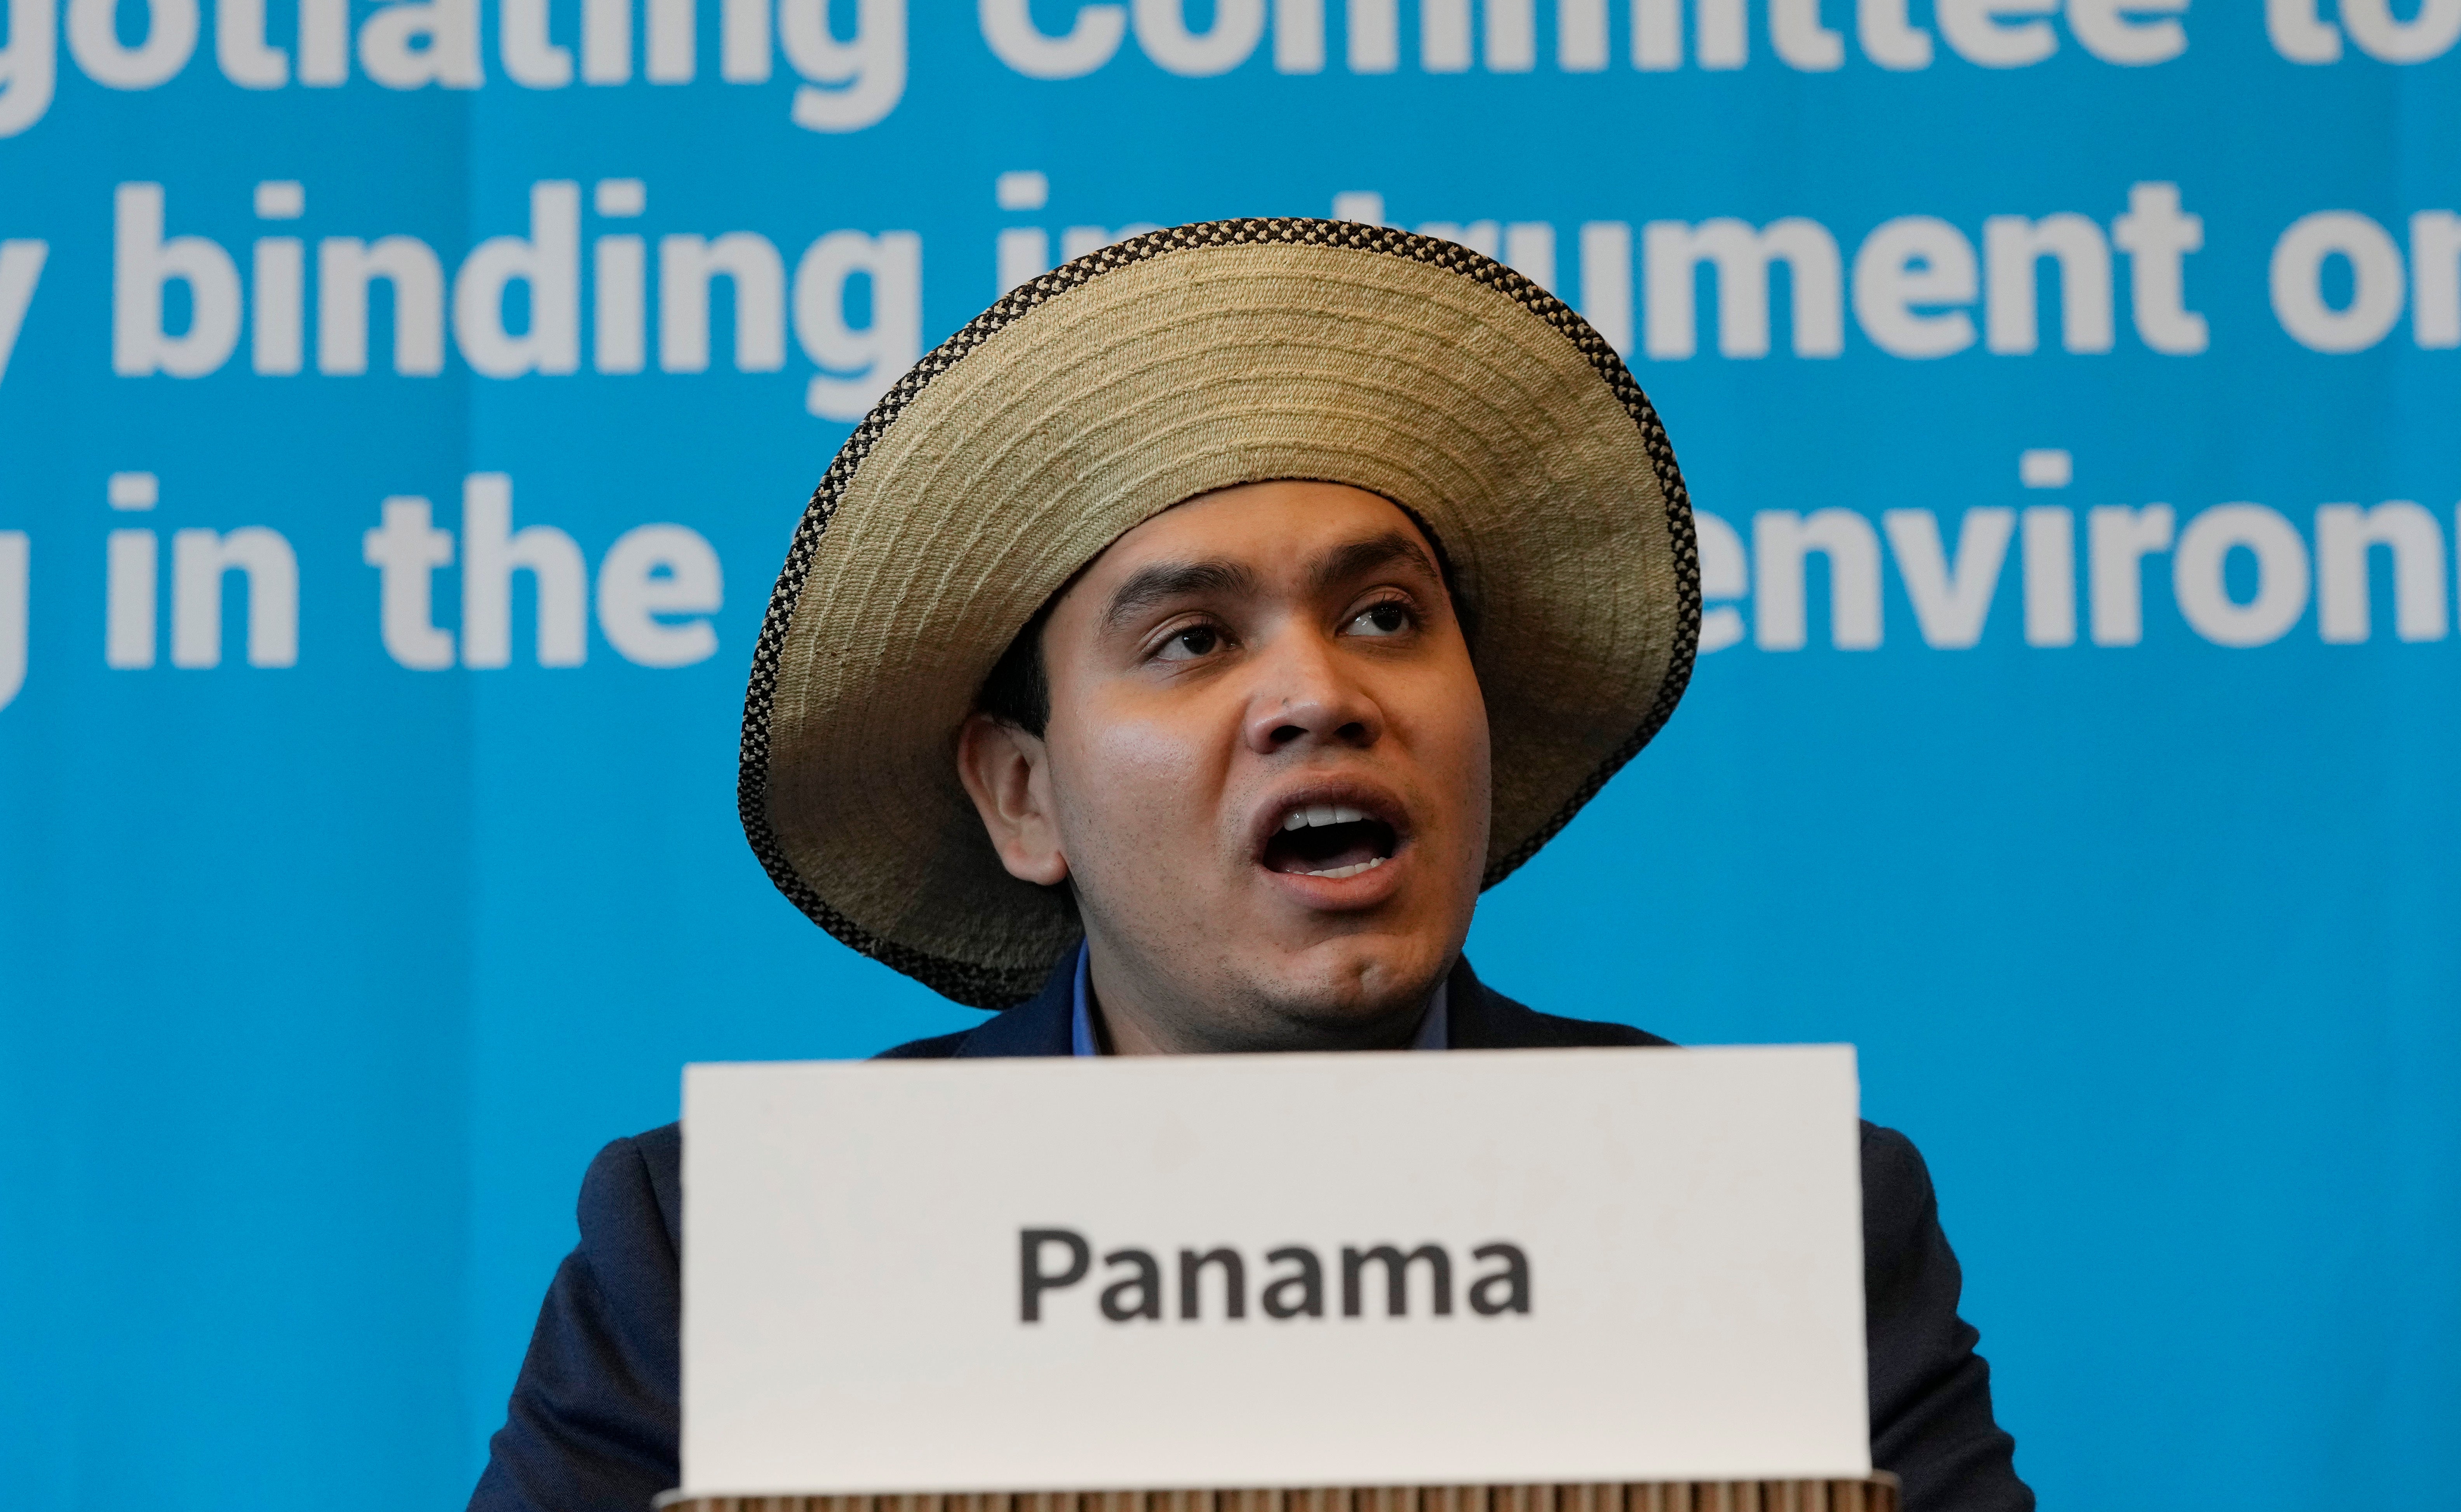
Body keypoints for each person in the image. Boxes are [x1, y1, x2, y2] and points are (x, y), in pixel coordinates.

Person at [468, 221, 2032, 1512]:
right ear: (1026, 797)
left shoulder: (1772, 1219)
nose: (1320, 694)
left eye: (1385, 617)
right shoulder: (726, 1250)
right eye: (1195, 640)